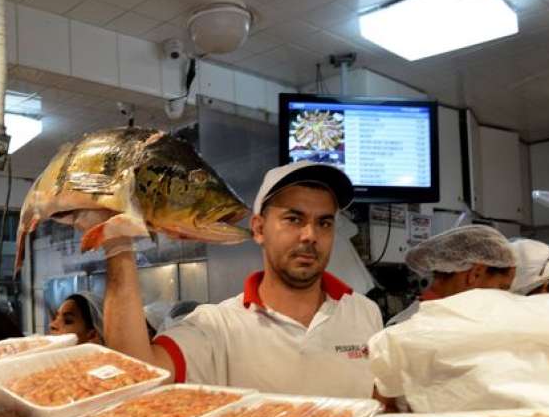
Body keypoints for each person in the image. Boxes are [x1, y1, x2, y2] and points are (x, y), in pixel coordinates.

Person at [103, 162, 382, 397]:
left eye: (324, 222)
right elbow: (137, 375)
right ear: (259, 229)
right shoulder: (217, 328)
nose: (310, 235)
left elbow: (381, 400)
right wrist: (118, 246)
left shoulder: (364, 313)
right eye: (293, 219)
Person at [387, 225, 517, 326]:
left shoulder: (410, 321)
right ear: (475, 274)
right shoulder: (420, 328)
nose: (503, 298)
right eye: (502, 288)